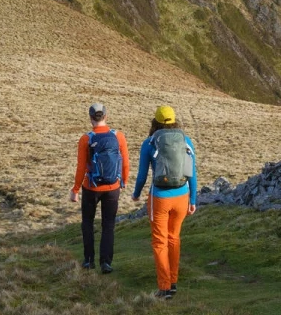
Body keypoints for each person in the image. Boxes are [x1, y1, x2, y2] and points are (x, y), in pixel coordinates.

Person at [132, 104, 197, 300]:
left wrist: (136, 194)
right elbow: (192, 173)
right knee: (173, 238)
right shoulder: (185, 140)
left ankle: (164, 288)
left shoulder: (149, 143)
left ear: (155, 121)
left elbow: (142, 175)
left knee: (160, 241)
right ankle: (173, 283)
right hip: (182, 195)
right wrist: (193, 199)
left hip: (160, 197)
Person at [71, 102, 129, 273]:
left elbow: (81, 167)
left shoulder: (86, 139)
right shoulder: (118, 136)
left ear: (90, 118)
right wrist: (123, 181)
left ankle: (89, 261)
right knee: (108, 225)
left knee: (87, 223)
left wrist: (75, 190)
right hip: (113, 187)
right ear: (106, 116)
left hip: (91, 188)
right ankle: (106, 262)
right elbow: (125, 162)